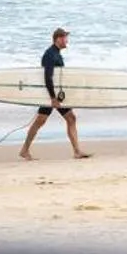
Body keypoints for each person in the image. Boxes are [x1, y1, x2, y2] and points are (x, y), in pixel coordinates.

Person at [19, 27, 90, 161]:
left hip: (56, 95)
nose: (67, 41)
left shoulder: (56, 53)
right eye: (65, 38)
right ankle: (25, 150)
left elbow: (58, 78)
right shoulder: (50, 55)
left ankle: (76, 151)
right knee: (49, 120)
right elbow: (48, 77)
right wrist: (52, 98)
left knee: (62, 119)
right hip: (51, 95)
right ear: (58, 39)